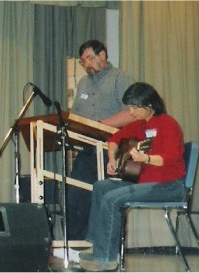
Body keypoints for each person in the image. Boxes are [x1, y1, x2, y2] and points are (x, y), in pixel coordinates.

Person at [78, 82, 186, 271]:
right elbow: (114, 139)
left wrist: (146, 158)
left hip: (169, 186)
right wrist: (111, 158)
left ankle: (106, 259)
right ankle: (98, 246)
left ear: (149, 106)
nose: (131, 111)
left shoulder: (168, 124)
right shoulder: (141, 125)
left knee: (112, 199)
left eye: (135, 107)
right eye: (130, 107)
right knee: (101, 186)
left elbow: (169, 158)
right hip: (147, 184)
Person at [66, 40, 136, 241]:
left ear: (102, 55)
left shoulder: (120, 78)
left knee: (108, 199)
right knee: (76, 196)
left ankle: (106, 250)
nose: (86, 64)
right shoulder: (83, 83)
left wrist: (100, 125)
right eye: (82, 61)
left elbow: (133, 113)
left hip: (115, 149)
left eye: (89, 58)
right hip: (88, 149)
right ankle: (77, 248)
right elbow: (76, 116)